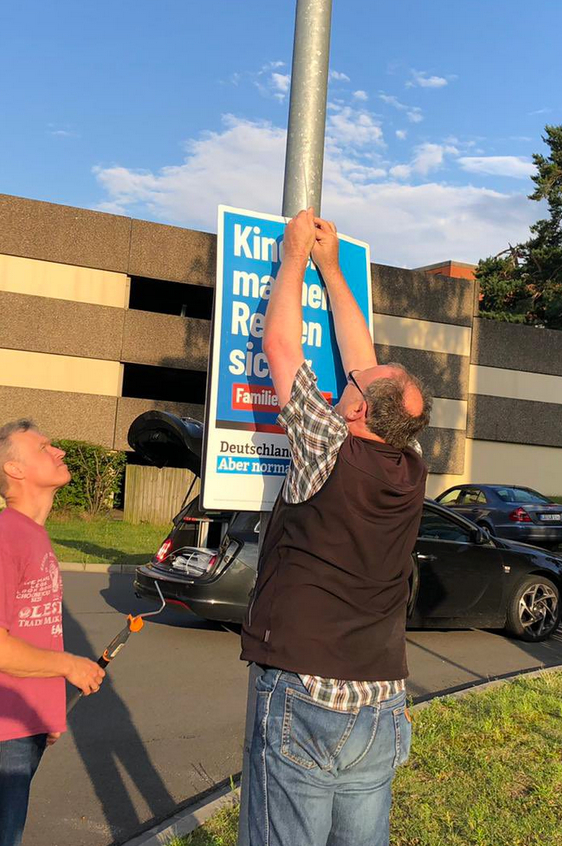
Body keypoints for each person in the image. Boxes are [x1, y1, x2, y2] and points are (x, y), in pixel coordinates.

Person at [237, 210, 432, 845]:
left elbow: (280, 350)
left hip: (308, 694)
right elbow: (364, 358)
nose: (350, 376)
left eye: (351, 386)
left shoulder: (328, 445)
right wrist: (335, 268)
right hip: (380, 702)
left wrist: (294, 257)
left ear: (352, 410)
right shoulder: (408, 466)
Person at [0, 419, 107, 845]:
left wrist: (46, 712)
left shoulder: (33, 536)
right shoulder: (2, 541)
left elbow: (32, 635)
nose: (59, 452)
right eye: (44, 447)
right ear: (14, 470)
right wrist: (70, 665)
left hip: (20, 726)